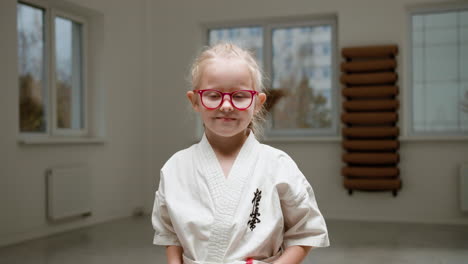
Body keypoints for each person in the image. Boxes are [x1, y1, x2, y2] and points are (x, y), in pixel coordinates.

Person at [152, 43, 329, 264]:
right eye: (213, 95)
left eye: (240, 96)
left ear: (257, 103)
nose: (226, 105)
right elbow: (170, 234)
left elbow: (306, 231)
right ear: (195, 101)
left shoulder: (278, 165)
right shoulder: (175, 168)